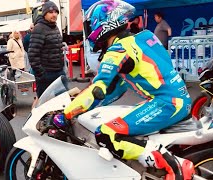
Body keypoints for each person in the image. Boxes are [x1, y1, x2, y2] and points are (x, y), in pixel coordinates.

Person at [60, 1, 194, 180]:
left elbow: (99, 88)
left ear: (105, 23)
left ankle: (175, 167)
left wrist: (66, 114)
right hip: (178, 100)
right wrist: (81, 103)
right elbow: (115, 89)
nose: (90, 30)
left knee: (106, 133)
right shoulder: (144, 37)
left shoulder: (118, 49)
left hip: (166, 103)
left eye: (92, 25)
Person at [28, 1, 67, 98]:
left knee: (63, 101)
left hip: (59, 71)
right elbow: (33, 54)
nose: (54, 14)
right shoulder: (39, 28)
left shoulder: (55, 27)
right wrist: (41, 73)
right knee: (44, 104)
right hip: (46, 74)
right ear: (45, 14)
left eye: (56, 12)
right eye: (51, 12)